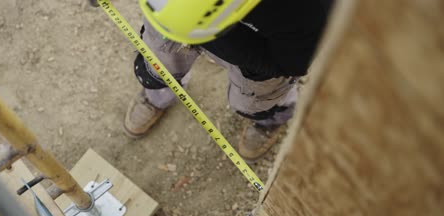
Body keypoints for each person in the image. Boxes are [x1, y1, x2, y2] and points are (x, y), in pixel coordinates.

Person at [124, 0, 331, 162]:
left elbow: (291, 65)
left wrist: (222, 43)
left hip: (257, 51)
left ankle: (269, 119)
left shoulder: (305, 11)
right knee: (158, 66)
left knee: (256, 101)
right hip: (170, 21)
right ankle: (158, 94)